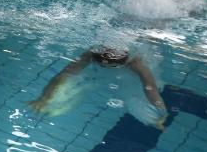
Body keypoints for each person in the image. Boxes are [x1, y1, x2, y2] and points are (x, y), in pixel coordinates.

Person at [28, 46, 167, 129]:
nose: (105, 67)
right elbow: (65, 74)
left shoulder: (135, 62)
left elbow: (150, 86)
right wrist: (44, 98)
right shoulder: (92, 54)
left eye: (108, 66)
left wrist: (160, 109)